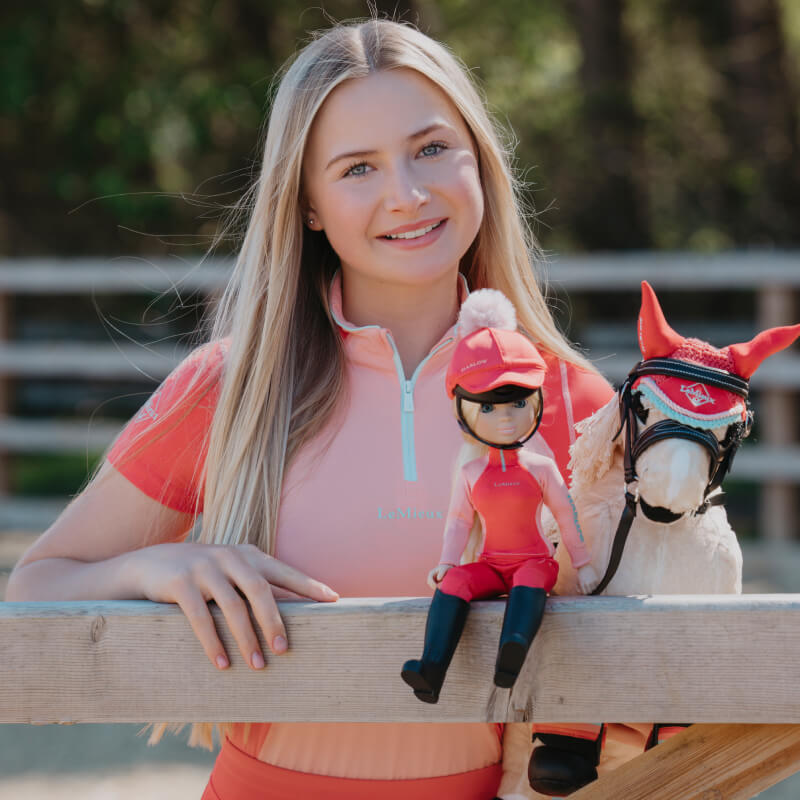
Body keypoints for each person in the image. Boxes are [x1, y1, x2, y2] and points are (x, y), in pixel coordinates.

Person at [6, 17, 615, 800]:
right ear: (310, 206)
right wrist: (155, 563)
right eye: (358, 168)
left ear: (480, 163)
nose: (408, 194)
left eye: (432, 148)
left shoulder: (569, 398)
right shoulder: (233, 389)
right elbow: (36, 588)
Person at [402, 289, 599, 704]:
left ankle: (511, 657)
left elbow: (566, 516)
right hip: (491, 566)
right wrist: (447, 563)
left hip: (534, 563)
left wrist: (581, 563)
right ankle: (431, 669)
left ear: (537, 402)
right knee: (456, 583)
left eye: (517, 404)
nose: (505, 418)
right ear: (463, 413)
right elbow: (458, 522)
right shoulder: (472, 473)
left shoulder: (540, 468)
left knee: (530, 579)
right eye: (487, 409)